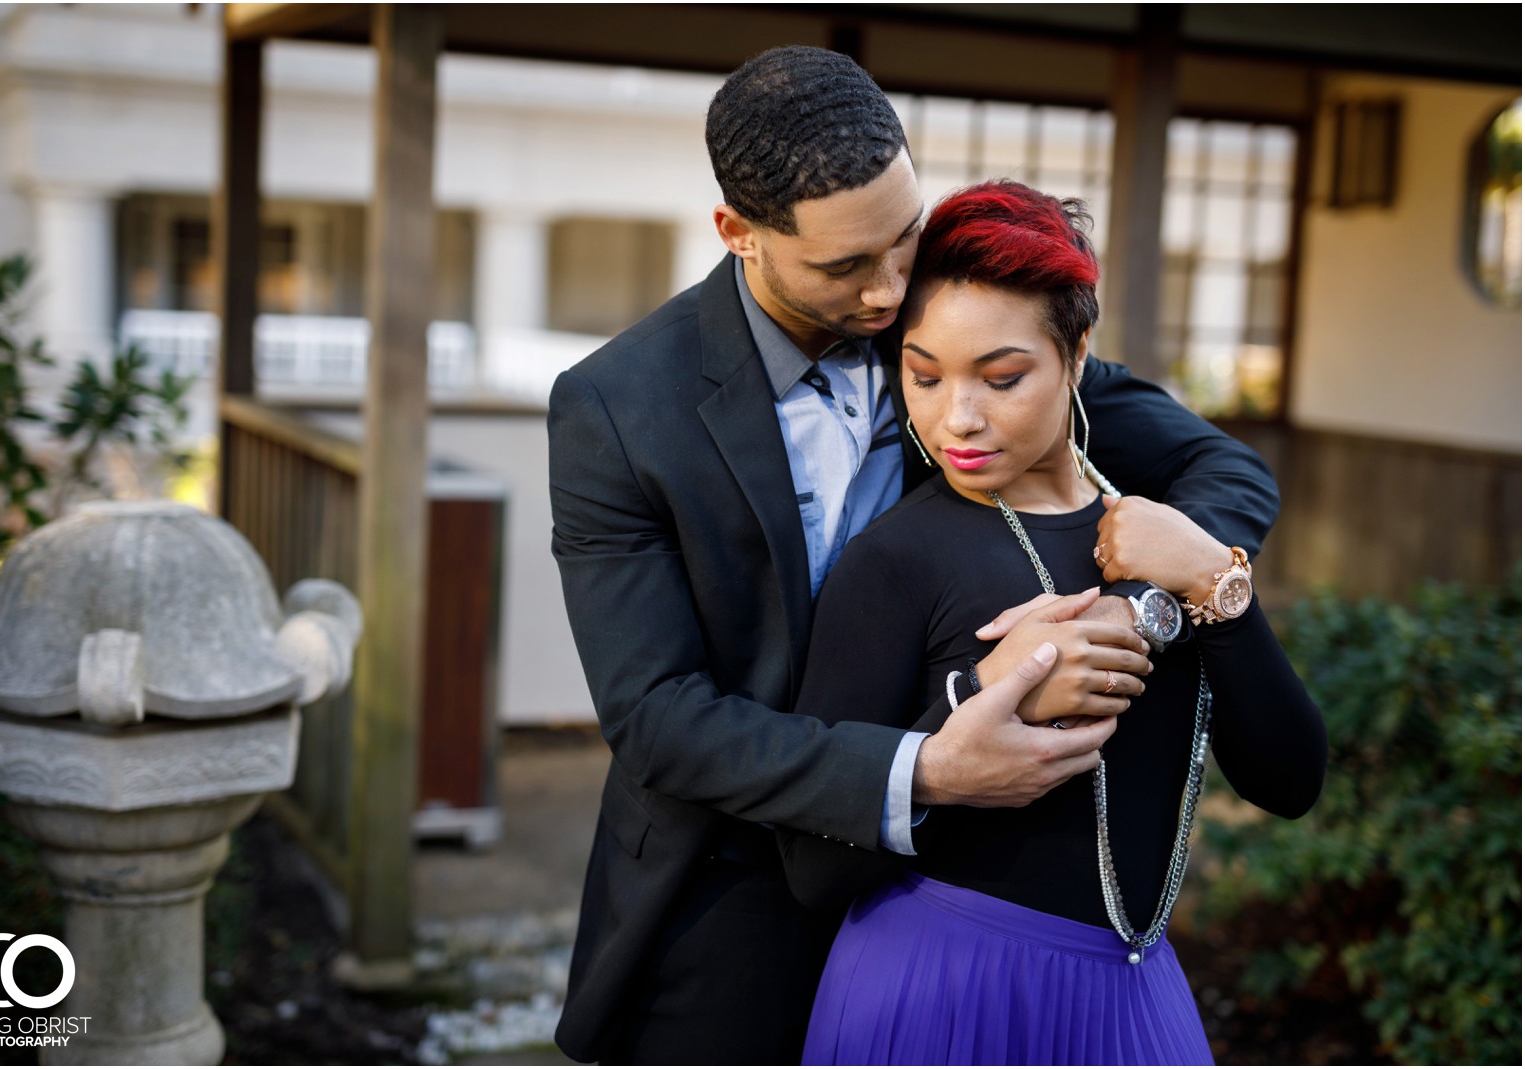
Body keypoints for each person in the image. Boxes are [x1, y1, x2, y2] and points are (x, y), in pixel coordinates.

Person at [548, 45, 1281, 1065]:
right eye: (846, 267)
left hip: (953, 899)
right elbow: (656, 712)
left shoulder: (953, 322)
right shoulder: (618, 410)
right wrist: (923, 765)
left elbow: (1220, 467)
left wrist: (1137, 602)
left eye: (903, 237)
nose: (891, 292)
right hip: (730, 887)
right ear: (738, 235)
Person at [783, 179, 1328, 1065]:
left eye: (1002, 377)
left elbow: (1290, 779)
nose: (956, 417)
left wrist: (1215, 580)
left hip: (1134, 986)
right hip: (939, 989)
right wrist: (987, 697)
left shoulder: (1159, 536)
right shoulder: (896, 559)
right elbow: (813, 869)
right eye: (922, 375)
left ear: (1077, 356)